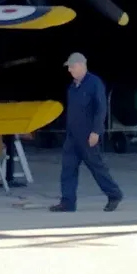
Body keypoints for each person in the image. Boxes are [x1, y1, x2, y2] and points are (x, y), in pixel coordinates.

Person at [50, 53, 124, 212]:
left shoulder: (94, 83)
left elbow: (101, 108)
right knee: (68, 169)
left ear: (82, 65)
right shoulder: (72, 87)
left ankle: (114, 194)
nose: (69, 70)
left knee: (97, 168)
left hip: (88, 135)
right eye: (68, 67)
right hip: (72, 136)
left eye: (72, 66)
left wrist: (96, 131)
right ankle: (68, 202)